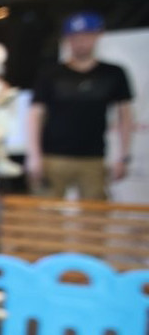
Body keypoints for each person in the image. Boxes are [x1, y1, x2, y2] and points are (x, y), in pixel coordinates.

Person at [26, 12, 134, 200]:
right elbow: (36, 114)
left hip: (93, 157)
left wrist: (123, 156)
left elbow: (125, 114)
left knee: (94, 218)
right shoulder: (51, 74)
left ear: (98, 36)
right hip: (53, 156)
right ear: (67, 39)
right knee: (46, 216)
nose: (81, 42)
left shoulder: (113, 73)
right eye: (75, 37)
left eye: (86, 36)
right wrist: (34, 155)